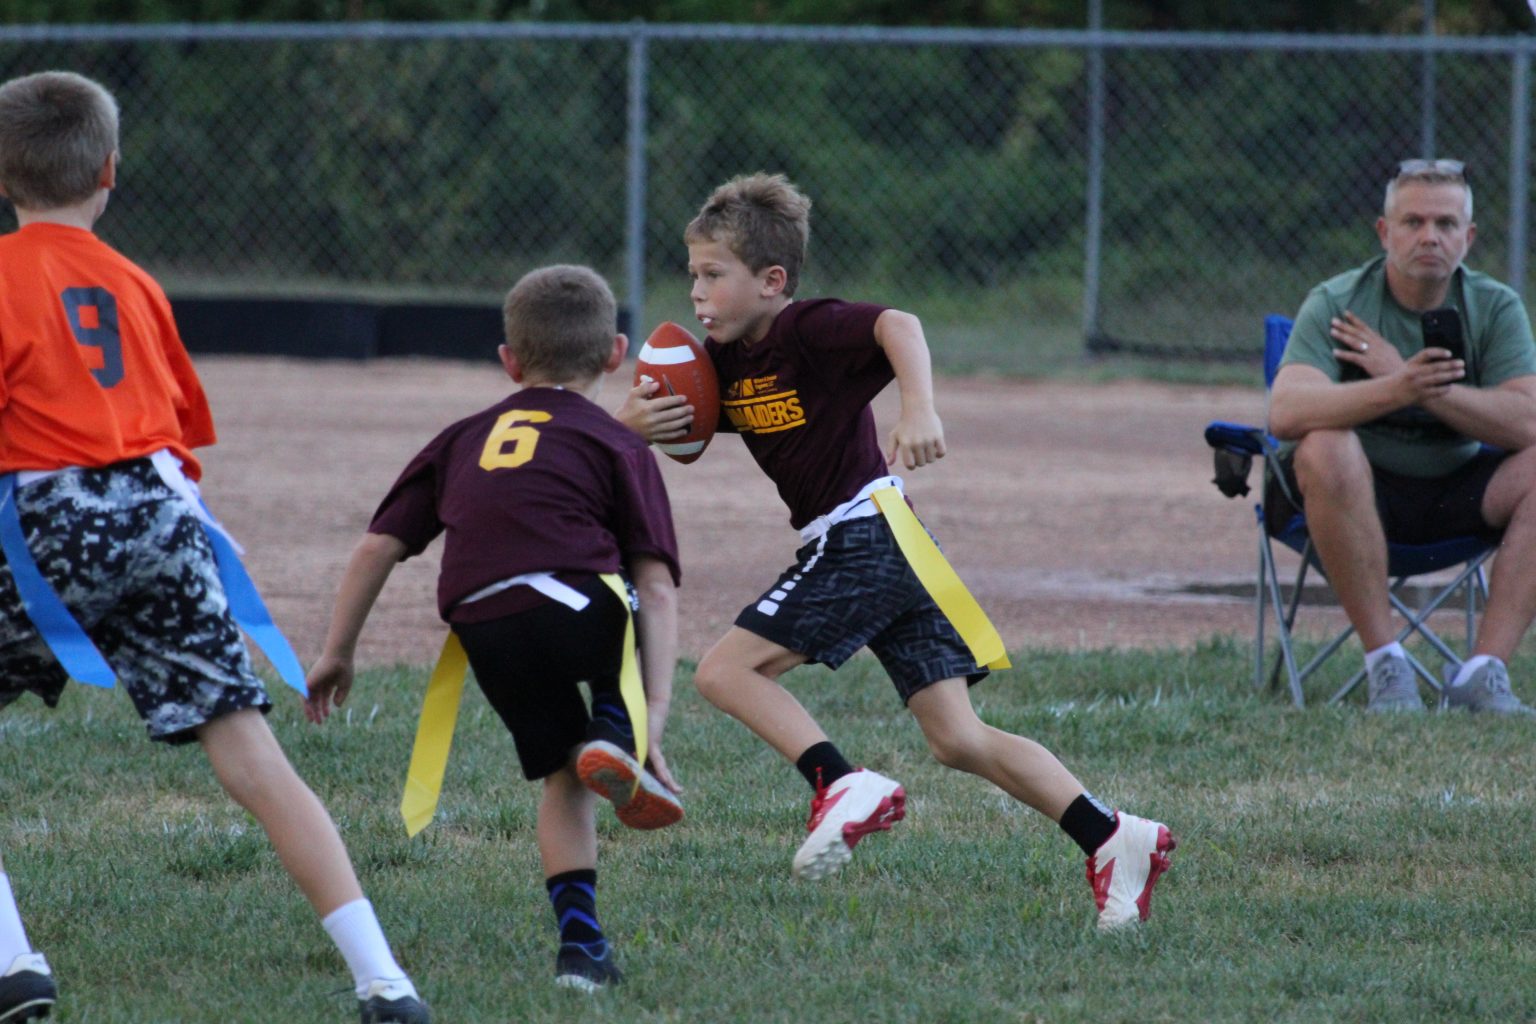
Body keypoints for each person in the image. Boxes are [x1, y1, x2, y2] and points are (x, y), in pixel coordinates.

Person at [620, 172, 1175, 931]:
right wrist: (632, 427)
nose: (696, 292)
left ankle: (840, 782)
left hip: (866, 532)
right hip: (889, 543)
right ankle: (1113, 836)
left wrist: (919, 407)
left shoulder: (805, 329)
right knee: (957, 738)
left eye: (714, 275)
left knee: (724, 672)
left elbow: (900, 324)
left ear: (772, 281)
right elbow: (676, 431)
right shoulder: (726, 363)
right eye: (693, 275)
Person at [0, 71, 427, 1023]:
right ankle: (384, 979)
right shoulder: (138, 285)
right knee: (247, 747)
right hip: (164, 516)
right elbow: (177, 433)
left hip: (43, 520)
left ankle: (13, 963)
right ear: (110, 171)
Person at [305, 264, 683, 993]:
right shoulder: (617, 442)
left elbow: (377, 547)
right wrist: (652, 712)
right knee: (623, 591)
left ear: (509, 361)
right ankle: (616, 725)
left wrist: (337, 652)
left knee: (565, 774)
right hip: (576, 606)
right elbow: (658, 588)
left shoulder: (459, 438)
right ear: (616, 353)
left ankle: (582, 949)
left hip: (484, 624)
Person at [1268, 158, 1536, 715]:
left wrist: (1419, 385)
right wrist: (1397, 388)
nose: (1429, 237)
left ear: (1468, 237)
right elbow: (1286, 412)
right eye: (1413, 222)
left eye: (1445, 223)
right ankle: (1386, 664)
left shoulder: (1495, 306)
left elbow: (1527, 421)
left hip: (1458, 492)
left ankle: (1485, 671)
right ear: (1384, 232)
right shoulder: (1337, 302)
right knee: (1324, 444)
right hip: (1354, 497)